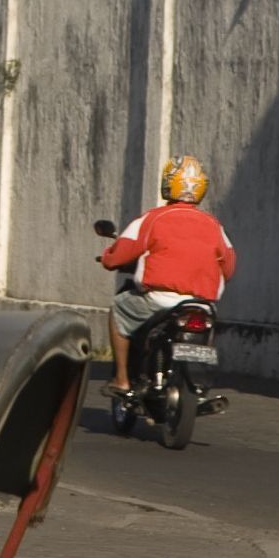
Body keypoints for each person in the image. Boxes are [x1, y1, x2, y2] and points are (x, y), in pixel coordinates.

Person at [99, 154, 236, 394]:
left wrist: (108, 258)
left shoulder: (152, 219)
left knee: (119, 308)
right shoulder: (214, 225)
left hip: (158, 300)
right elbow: (229, 265)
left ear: (167, 183)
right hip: (202, 304)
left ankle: (121, 379)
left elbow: (118, 256)